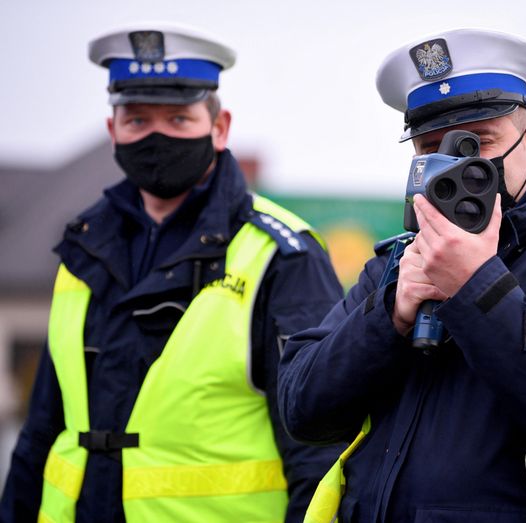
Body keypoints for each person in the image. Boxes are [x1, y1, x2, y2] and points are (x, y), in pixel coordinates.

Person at [278, 28, 526, 523]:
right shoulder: (395, 263)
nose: (453, 166)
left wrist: (479, 288)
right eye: (430, 148)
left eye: (478, 143)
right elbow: (302, 409)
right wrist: (390, 314)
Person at [0, 23, 344, 523]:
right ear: (112, 129)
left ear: (220, 126)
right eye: (137, 120)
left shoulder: (282, 255)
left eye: (179, 119)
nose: (156, 137)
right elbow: (41, 432)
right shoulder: (82, 249)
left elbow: (316, 447)